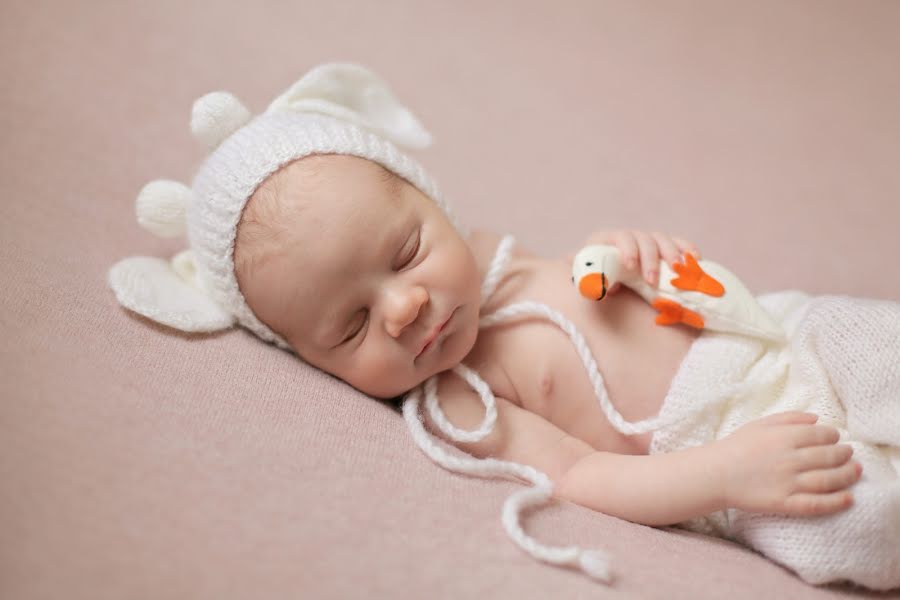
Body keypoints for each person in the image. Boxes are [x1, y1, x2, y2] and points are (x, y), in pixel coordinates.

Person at [108, 63, 900, 590]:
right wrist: (726, 476)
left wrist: (627, 249)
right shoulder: (461, 401)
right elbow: (587, 478)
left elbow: (604, 280)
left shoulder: (495, 260)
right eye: (350, 326)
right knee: (859, 525)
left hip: (772, 338)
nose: (404, 306)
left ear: (435, 204)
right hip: (724, 442)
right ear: (310, 361)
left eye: (407, 250)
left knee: (873, 342)